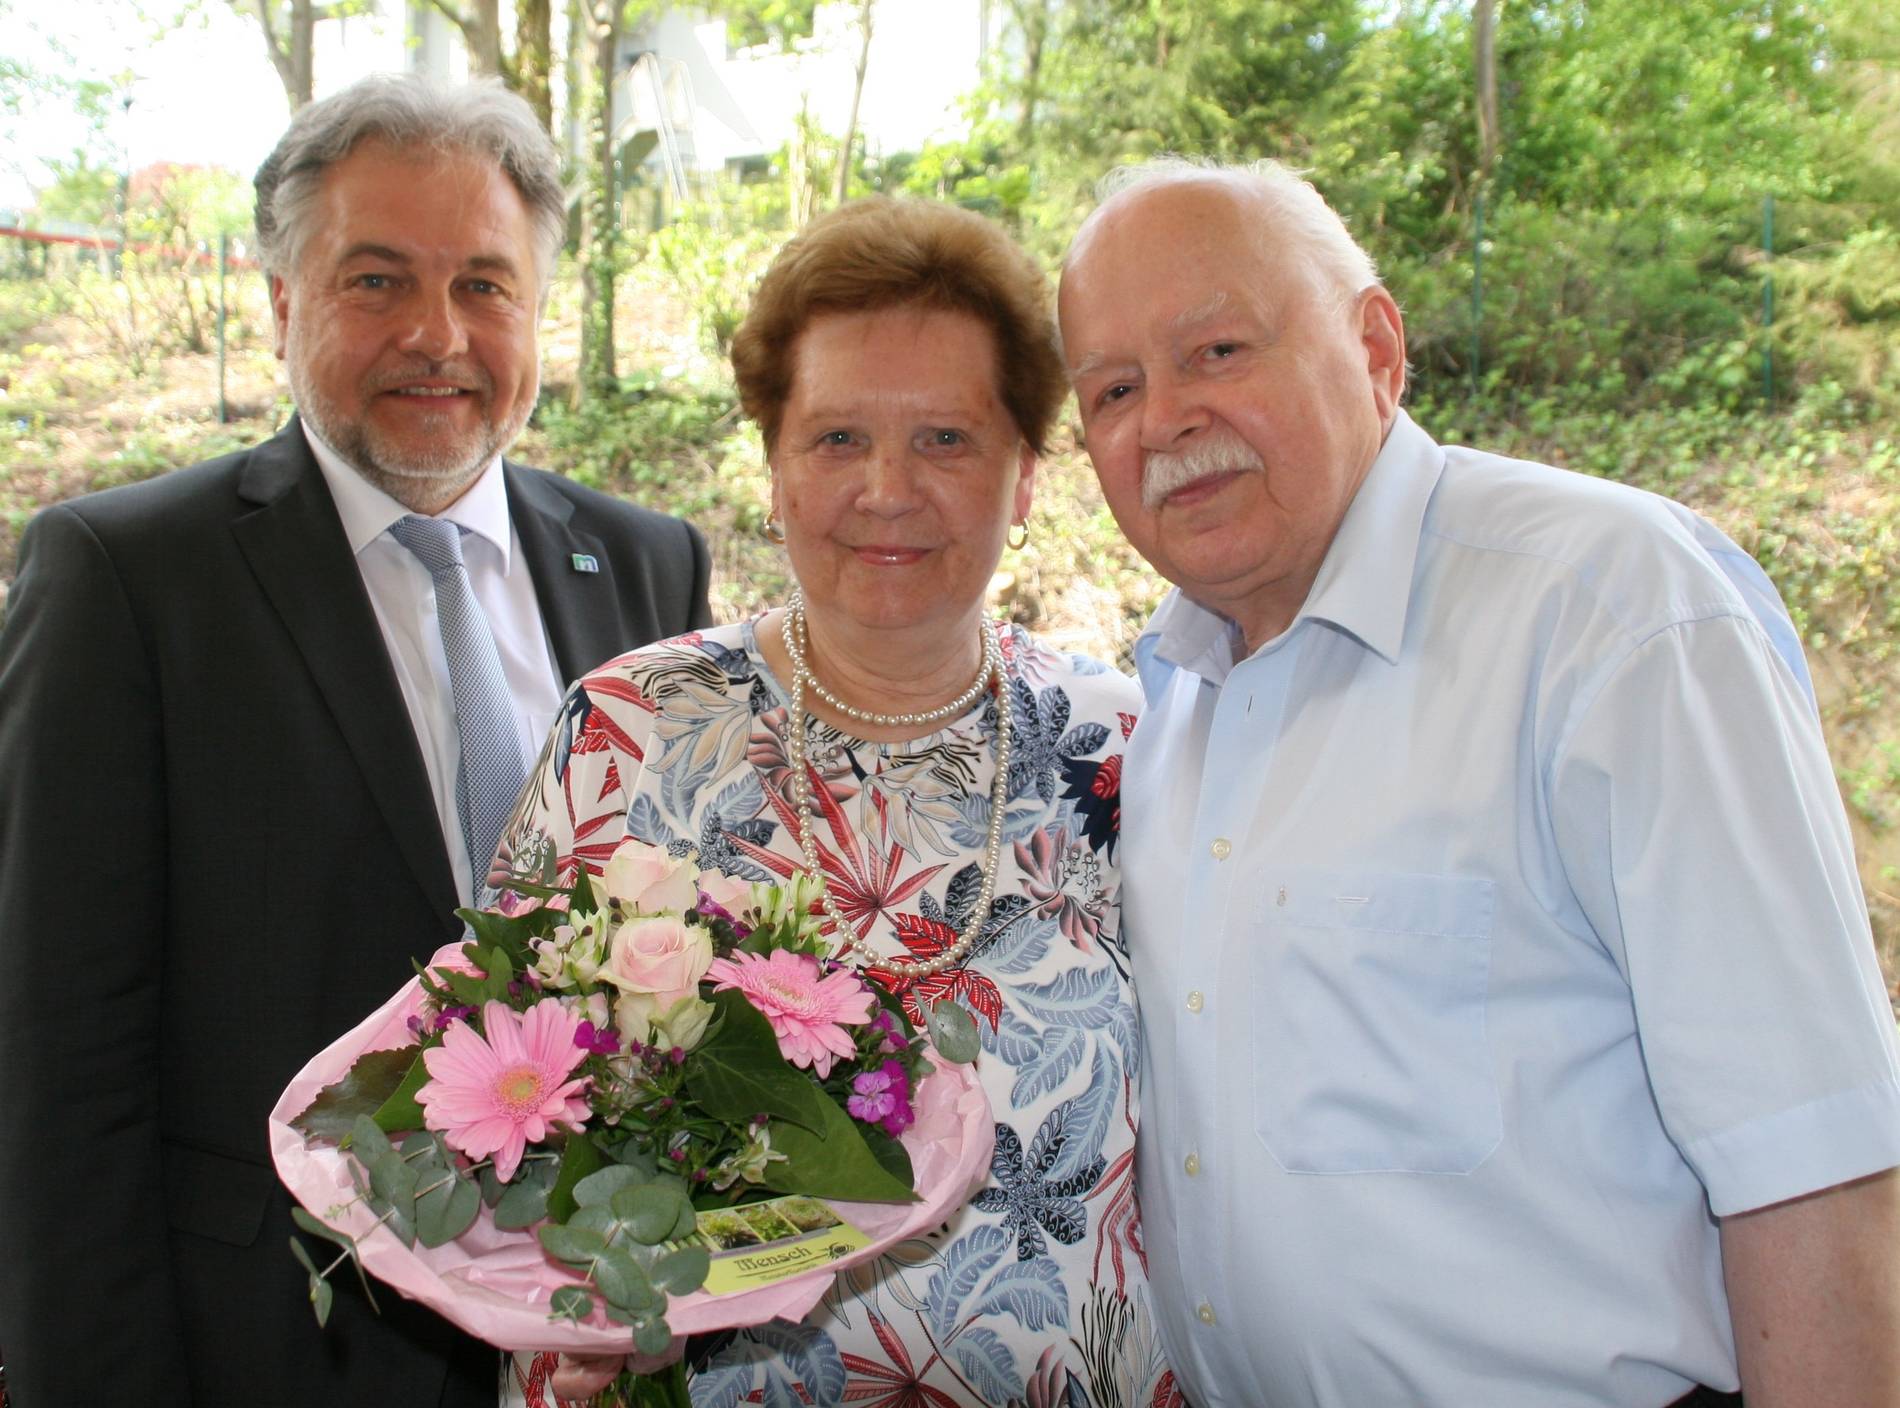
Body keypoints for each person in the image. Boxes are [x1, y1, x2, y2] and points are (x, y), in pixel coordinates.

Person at [1056, 157, 1900, 1408]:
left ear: (1377, 347)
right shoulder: (1176, 695)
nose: (1164, 417)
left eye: (1219, 349)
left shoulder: (1609, 614)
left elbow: (1812, 1159)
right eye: (1113, 388)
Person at [0, 76, 710, 1408]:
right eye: (376, 282)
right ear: (282, 304)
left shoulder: (641, 566)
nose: (437, 337)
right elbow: (56, 1065)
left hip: (600, 1345)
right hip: (272, 1346)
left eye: (486, 287)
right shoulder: (127, 583)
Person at [503, 195, 1182, 1408]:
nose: (885, 490)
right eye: (834, 439)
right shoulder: (626, 732)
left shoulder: (1133, 748)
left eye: (944, 440)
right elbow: (499, 1093)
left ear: (1024, 477)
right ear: (771, 467)